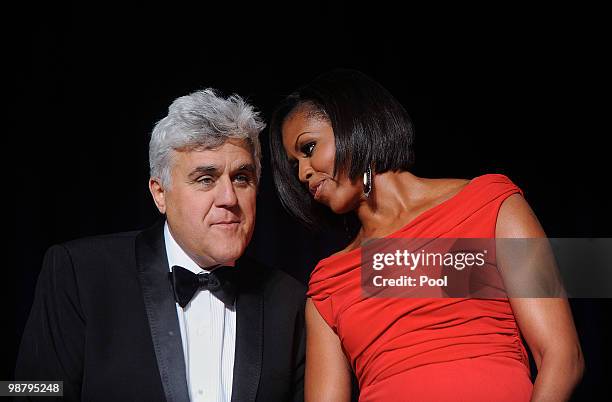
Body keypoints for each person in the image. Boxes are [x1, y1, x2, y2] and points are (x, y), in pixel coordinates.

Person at [268, 70, 584, 401]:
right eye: (294, 166)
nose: (303, 173)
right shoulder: (328, 283)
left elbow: (563, 357)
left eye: (309, 148)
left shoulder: (490, 206)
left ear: (353, 122)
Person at [16, 89, 306, 402]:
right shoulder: (79, 273)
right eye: (205, 179)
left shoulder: (288, 300)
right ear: (160, 194)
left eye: (241, 178)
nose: (229, 199)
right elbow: (26, 391)